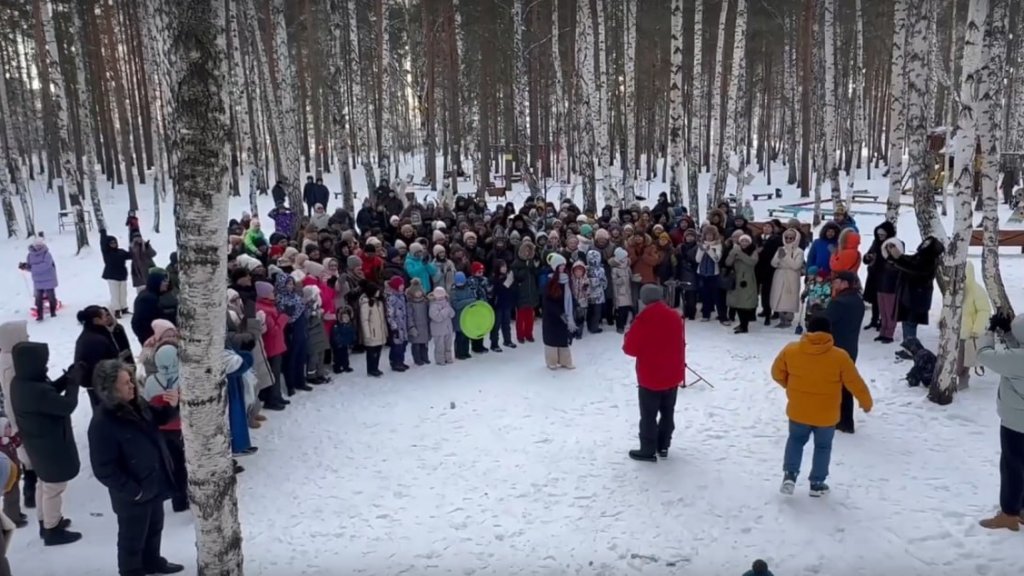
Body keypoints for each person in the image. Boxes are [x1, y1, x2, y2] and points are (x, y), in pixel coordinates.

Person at [89, 360, 184, 575]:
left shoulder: (137, 403)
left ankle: (152, 561)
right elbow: (103, 469)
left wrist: (171, 405)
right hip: (132, 494)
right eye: (125, 383)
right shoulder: (102, 423)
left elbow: (158, 417)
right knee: (132, 539)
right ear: (110, 388)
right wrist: (135, 491)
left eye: (131, 379)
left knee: (154, 528)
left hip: (153, 482)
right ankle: (132, 571)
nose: (132, 385)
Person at [771, 316, 873, 497]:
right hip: (826, 415)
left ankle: (790, 475)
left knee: (795, 440)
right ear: (829, 332)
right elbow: (855, 383)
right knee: (823, 447)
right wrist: (866, 402)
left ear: (808, 330)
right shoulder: (840, 356)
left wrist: (790, 385)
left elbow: (776, 373)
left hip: (798, 410)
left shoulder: (791, 350)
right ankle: (817, 483)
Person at [9, 342, 82, 545]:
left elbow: (48, 392)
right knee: (54, 487)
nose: (46, 366)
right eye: (43, 363)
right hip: (50, 445)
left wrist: (65, 379)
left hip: (38, 443)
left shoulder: (20, 382)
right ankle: (52, 530)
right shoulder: (35, 390)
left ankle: (47, 521)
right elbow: (67, 405)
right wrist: (73, 383)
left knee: (45, 483)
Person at [624, 284, 685, 462]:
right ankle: (664, 445)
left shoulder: (643, 320)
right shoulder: (674, 316)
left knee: (648, 416)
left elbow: (630, 349)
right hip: (672, 374)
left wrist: (628, 334)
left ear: (644, 299)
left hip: (650, 376)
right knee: (668, 412)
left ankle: (648, 449)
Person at [975, 314, 1024, 531]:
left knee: (1012, 468)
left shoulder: (1017, 360)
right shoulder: (1018, 357)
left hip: (1016, 424)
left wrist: (989, 333)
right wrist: (1008, 335)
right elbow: (1016, 352)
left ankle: (1009, 514)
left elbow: (984, 355)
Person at [825, 271, 866, 434]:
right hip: (851, 347)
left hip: (835, 348)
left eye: (837, 281)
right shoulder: (857, 301)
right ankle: (845, 420)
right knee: (846, 383)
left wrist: (817, 313)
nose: (834, 284)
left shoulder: (839, 303)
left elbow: (824, 321)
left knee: (835, 385)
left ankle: (839, 419)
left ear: (845, 283)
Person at [888, 236, 943, 345]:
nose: (924, 245)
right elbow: (910, 261)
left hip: (916, 297)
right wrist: (897, 257)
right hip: (910, 296)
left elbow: (914, 269)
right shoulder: (921, 256)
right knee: (907, 322)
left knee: (910, 323)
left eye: (927, 244)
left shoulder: (929, 260)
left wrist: (898, 259)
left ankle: (911, 347)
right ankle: (908, 346)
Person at [75, 306, 133, 408]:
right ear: (96, 320)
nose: (108, 318)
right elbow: (105, 364)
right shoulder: (97, 340)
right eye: (104, 316)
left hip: (92, 383)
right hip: (100, 384)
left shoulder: (89, 335)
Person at [0, 321, 30, 519]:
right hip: (10, 424)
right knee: (16, 467)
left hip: (8, 424)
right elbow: (11, 397)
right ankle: (13, 513)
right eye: (24, 335)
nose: (27, 338)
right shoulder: (11, 363)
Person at [956, 262, 991, 391]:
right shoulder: (954, 290)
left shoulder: (977, 291)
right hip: (954, 332)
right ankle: (953, 380)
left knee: (965, 360)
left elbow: (984, 310)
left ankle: (963, 380)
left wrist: (977, 329)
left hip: (968, 333)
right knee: (954, 359)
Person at [541, 254, 575, 370]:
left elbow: (570, 297)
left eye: (563, 265)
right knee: (552, 339)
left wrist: (576, 306)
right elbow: (547, 302)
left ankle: (565, 360)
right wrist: (559, 313)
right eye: (560, 266)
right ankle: (552, 361)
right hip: (552, 316)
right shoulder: (550, 282)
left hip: (564, 314)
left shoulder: (567, 280)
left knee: (563, 339)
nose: (562, 268)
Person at [861, 222, 896, 330]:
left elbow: (896, 259)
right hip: (874, 274)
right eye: (879, 235)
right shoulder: (875, 243)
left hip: (887, 276)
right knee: (875, 298)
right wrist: (867, 258)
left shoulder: (893, 244)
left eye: (882, 235)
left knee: (885, 301)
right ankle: (874, 319)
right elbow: (868, 256)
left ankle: (884, 321)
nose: (880, 237)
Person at [769, 228, 804, 329]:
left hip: (791, 277)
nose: (788, 240)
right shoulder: (781, 249)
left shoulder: (799, 251)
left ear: (796, 238)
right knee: (778, 297)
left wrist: (785, 258)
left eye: (791, 238)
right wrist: (778, 258)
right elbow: (773, 263)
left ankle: (788, 319)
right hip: (779, 275)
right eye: (786, 237)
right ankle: (781, 319)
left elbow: (796, 265)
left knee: (789, 298)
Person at [725, 234, 759, 334]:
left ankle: (745, 325)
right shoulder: (735, 251)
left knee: (745, 303)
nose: (744, 243)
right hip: (737, 279)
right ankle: (742, 324)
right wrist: (732, 254)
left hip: (748, 280)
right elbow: (728, 263)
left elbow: (752, 262)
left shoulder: (753, 251)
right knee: (738, 303)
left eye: (746, 241)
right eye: (742, 241)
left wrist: (740, 254)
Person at [131, 269, 173, 345]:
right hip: (151, 338)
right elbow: (146, 322)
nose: (166, 283)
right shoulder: (148, 299)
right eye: (163, 281)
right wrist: (154, 336)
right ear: (156, 283)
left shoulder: (150, 294)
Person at [21, 235, 58, 321]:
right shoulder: (30, 256)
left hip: (48, 278)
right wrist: (25, 266)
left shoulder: (47, 254)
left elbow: (46, 265)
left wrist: (33, 268)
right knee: (38, 299)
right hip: (38, 281)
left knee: (51, 296)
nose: (38, 247)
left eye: (39, 245)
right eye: (37, 245)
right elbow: (30, 267)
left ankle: (53, 312)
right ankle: (40, 315)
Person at [100, 229, 132, 317]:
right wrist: (103, 233)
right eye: (111, 243)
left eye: (114, 242)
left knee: (123, 293)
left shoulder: (121, 251)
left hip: (122, 275)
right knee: (115, 294)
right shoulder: (107, 253)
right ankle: (116, 310)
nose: (113, 244)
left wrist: (135, 247)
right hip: (112, 276)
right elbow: (102, 243)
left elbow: (130, 255)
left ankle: (124, 308)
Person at [358, 281, 387, 377]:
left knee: (378, 352)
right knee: (372, 353)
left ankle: (375, 367)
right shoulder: (366, 303)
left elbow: (382, 319)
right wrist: (367, 334)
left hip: (379, 331)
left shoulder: (379, 302)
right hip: (372, 332)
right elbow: (364, 320)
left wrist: (385, 330)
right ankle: (371, 369)